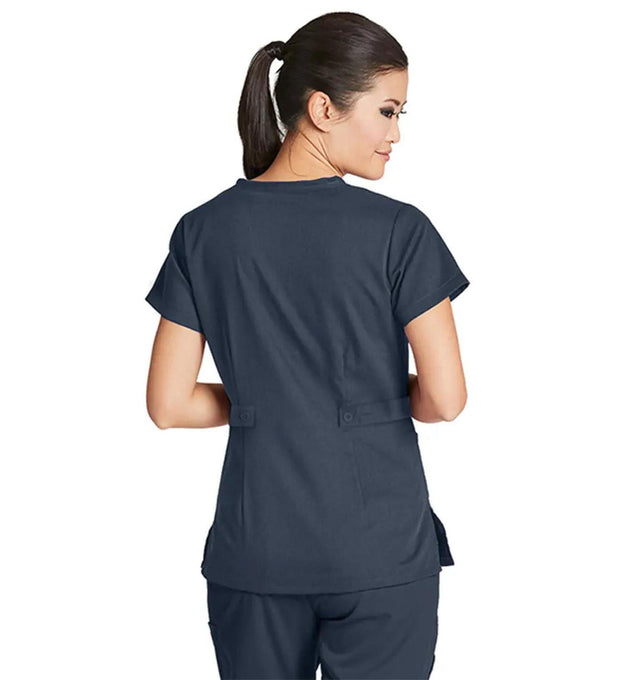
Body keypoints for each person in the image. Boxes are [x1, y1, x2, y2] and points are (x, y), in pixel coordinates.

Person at [144, 11, 470, 680]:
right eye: (387, 111)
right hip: (379, 552)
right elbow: (445, 399)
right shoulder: (400, 232)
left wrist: (270, 399)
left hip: (254, 552)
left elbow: (168, 405)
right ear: (323, 109)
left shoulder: (202, 232)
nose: (396, 134)